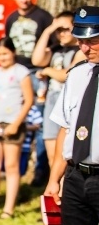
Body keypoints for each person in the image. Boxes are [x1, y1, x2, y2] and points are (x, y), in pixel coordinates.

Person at [39, 5, 99, 225]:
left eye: (92, 41)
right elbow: (66, 127)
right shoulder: (76, 75)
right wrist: (54, 179)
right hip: (77, 177)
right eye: (81, 41)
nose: (85, 47)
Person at [5, 0, 53, 186]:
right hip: (17, 73)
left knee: (42, 122)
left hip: (37, 74)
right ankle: (15, 167)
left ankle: (41, 171)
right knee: (14, 115)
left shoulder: (43, 17)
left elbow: (52, 46)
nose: (24, 0)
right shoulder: (11, 19)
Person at [0, 37, 34, 219]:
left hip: (12, 123)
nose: (2, 57)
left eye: (5, 53)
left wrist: (16, 124)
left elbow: (28, 100)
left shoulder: (22, 72)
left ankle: (8, 209)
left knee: (11, 166)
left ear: (13, 52)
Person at [32, 11, 84, 167]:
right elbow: (37, 59)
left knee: (66, 155)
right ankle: (56, 189)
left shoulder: (81, 51)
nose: (62, 33)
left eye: (66, 29)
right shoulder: (55, 49)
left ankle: (66, 190)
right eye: (58, 30)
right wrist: (48, 30)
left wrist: (48, 71)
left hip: (70, 105)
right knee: (52, 155)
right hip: (51, 103)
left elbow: (67, 74)